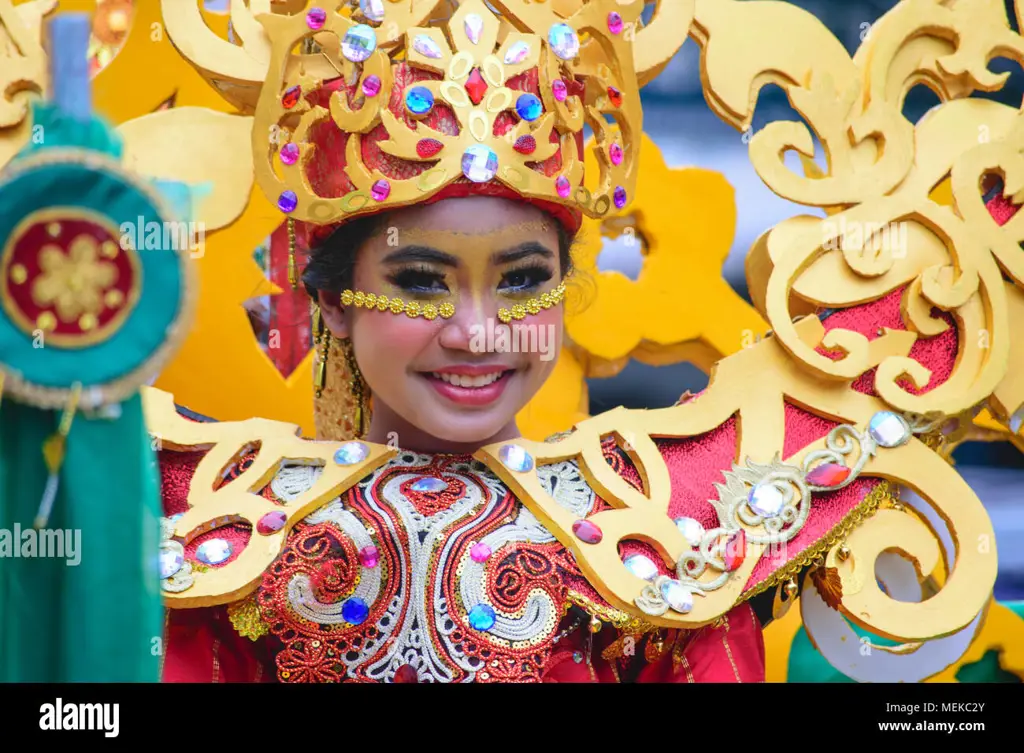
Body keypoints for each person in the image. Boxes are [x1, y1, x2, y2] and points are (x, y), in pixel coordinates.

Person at [149, 0, 993, 683]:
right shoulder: (221, 559)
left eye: (520, 280)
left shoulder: (668, 565)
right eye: (419, 282)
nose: (477, 332)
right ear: (332, 302)